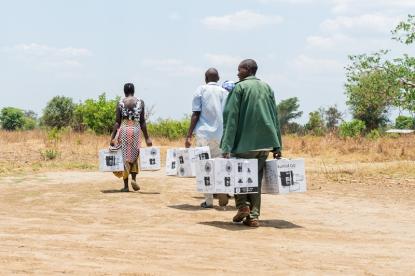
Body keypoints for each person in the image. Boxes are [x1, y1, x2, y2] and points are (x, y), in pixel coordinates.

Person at [221, 59, 282, 227]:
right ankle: (254, 217)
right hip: (265, 144)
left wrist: (226, 146)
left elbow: (231, 118)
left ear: (247, 70)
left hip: (244, 144)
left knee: (239, 176)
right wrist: (277, 146)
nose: (237, 73)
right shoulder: (267, 87)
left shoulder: (239, 88)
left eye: (239, 70)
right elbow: (274, 117)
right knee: (255, 179)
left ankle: (243, 206)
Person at [185, 68, 229, 208]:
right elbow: (228, 115)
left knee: (204, 167)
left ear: (205, 78)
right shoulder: (225, 93)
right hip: (220, 135)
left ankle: (209, 201)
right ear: (219, 77)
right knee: (219, 165)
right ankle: (221, 190)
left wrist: (188, 135)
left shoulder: (200, 90)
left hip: (204, 134)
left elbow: (196, 114)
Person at [110, 83, 152, 192]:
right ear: (133, 91)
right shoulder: (140, 102)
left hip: (124, 129)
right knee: (135, 154)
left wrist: (113, 137)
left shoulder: (120, 103)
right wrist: (147, 138)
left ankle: (125, 186)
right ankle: (133, 179)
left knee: (124, 156)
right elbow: (142, 121)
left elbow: (117, 122)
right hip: (136, 130)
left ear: (124, 91)